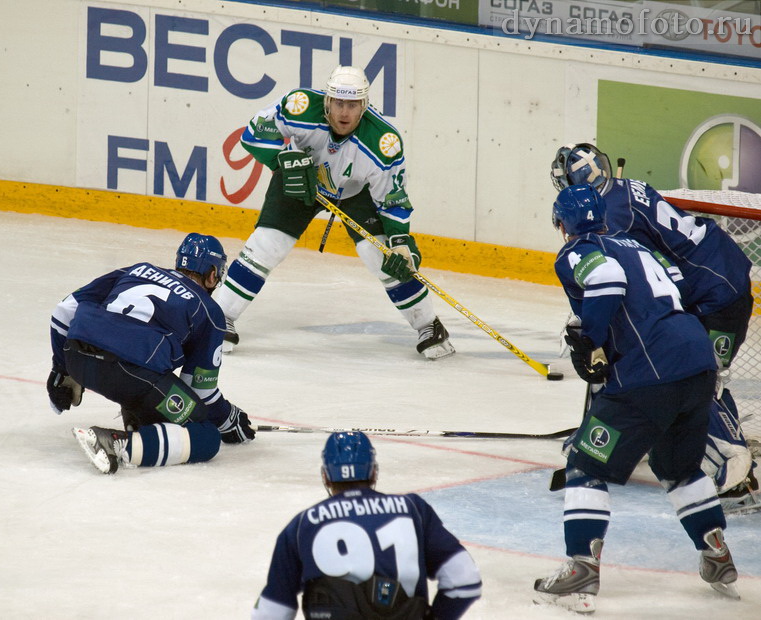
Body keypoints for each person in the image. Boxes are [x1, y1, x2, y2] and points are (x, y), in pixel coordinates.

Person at [534, 185, 738, 613]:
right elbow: (678, 282)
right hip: (697, 363)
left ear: (561, 224)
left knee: (585, 465)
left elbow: (607, 280)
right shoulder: (638, 246)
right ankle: (716, 554)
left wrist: (591, 340)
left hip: (650, 375)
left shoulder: (576, 250)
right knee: (678, 467)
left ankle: (581, 567)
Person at [550, 142, 757, 509]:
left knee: (686, 373)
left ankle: (732, 463)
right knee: (696, 375)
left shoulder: (608, 220)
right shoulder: (627, 188)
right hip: (729, 275)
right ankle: (720, 454)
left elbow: (663, 272)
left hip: (714, 296)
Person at [215, 65, 454, 360]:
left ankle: (429, 326)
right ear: (327, 100)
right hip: (300, 181)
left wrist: (401, 244)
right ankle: (219, 316)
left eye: (353, 105)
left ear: (364, 105)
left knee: (381, 257)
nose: (345, 112)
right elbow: (254, 134)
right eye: (339, 102)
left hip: (355, 194)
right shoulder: (300, 106)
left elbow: (392, 199)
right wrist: (282, 161)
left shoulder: (383, 143)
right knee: (267, 244)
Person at [47, 233, 255, 474]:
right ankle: (116, 442)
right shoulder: (209, 311)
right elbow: (200, 391)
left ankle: (141, 415)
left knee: (155, 392)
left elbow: (64, 310)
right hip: (128, 373)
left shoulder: (137, 269)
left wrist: (61, 370)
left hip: (76, 354)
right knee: (205, 436)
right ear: (212, 275)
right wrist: (228, 418)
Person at [252, 431, 482, 619]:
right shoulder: (412, 509)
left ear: (325, 476)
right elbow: (464, 579)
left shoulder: (303, 524)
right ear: (373, 471)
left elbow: (271, 613)